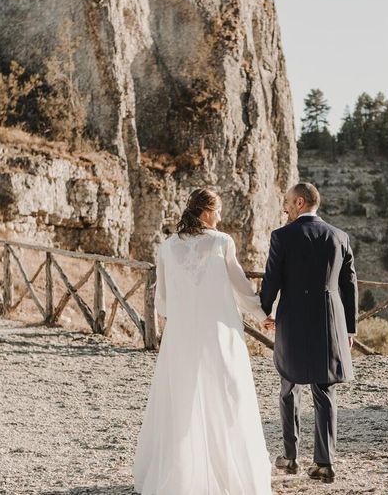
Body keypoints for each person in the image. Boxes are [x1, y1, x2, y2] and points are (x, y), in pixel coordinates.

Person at [133, 189, 272, 495]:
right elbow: (241, 287)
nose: (220, 217)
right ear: (207, 211)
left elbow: (162, 302)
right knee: (226, 396)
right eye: (218, 210)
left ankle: (181, 476)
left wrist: (183, 314)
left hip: (181, 335)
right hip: (218, 335)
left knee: (182, 400)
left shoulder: (167, 247)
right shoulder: (221, 242)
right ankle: (229, 475)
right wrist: (262, 314)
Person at [260, 182, 358, 484]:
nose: (285, 207)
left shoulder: (282, 236)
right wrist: (350, 328)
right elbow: (349, 284)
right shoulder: (339, 236)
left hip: (292, 322)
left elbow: (271, 279)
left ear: (300, 202)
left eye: (288, 201)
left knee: (289, 388)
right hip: (330, 323)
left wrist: (265, 311)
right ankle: (324, 463)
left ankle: (290, 458)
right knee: (325, 392)